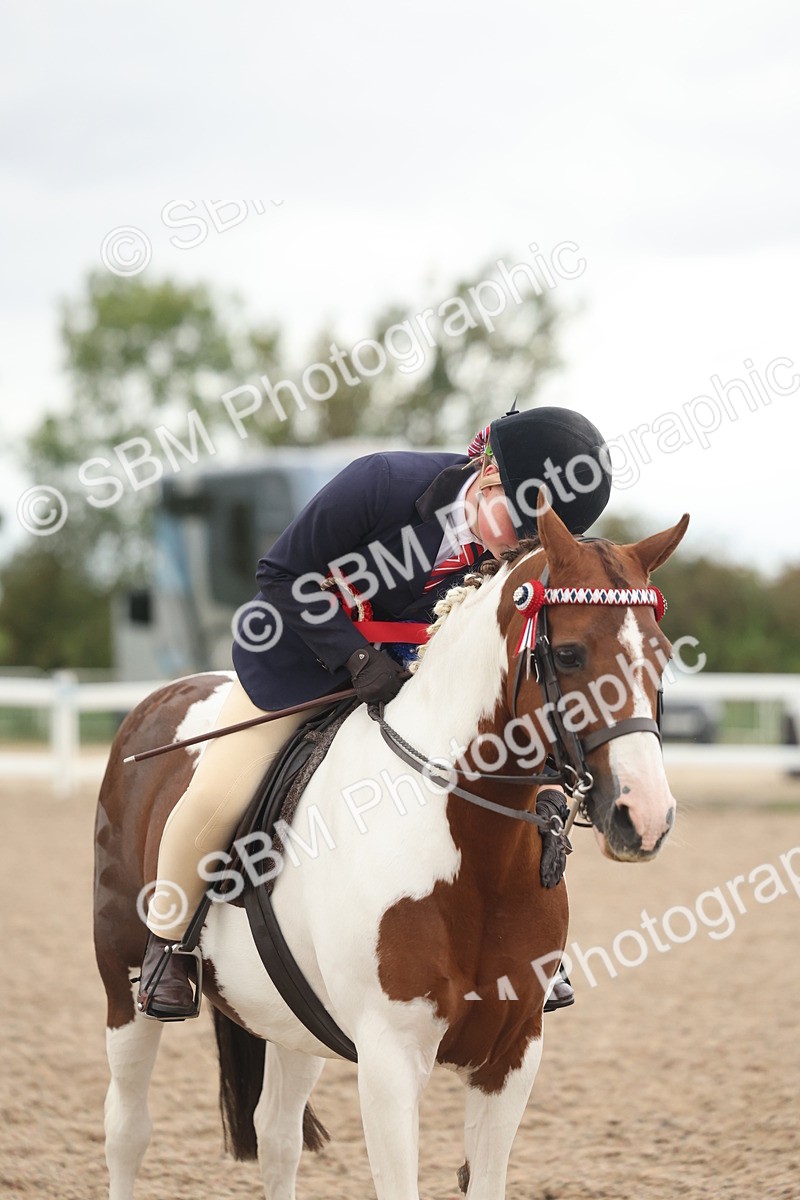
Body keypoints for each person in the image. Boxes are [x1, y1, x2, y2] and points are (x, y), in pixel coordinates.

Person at [138, 404, 611, 1018]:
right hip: (303, 666)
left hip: (419, 685)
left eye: (529, 538)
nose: (510, 546)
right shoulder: (382, 482)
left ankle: (528, 942)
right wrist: (356, 657)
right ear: (488, 475)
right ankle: (168, 941)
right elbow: (282, 575)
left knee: (521, 792)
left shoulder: (520, 551)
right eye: (514, 524)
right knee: (217, 797)